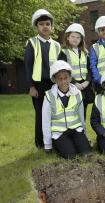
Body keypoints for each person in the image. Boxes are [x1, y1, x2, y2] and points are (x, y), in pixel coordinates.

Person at [24, 9, 61, 149]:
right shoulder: (32, 43)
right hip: (38, 86)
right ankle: (40, 143)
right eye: (41, 24)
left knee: (54, 113)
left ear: (52, 26)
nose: (45, 26)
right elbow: (28, 66)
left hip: (53, 84)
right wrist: (30, 86)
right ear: (36, 27)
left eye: (47, 23)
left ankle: (53, 140)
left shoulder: (56, 45)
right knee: (40, 114)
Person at [42, 60, 91, 159]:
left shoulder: (77, 93)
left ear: (70, 78)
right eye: (60, 79)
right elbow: (46, 121)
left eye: (66, 78)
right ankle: (60, 145)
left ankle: (75, 143)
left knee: (86, 153)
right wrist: (47, 144)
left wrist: (84, 134)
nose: (63, 81)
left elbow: (81, 117)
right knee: (71, 156)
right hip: (59, 133)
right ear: (55, 79)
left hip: (75, 129)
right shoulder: (49, 96)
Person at [58, 23, 94, 119]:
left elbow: (90, 69)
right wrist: (74, 83)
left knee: (84, 112)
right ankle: (74, 133)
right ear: (67, 38)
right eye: (73, 36)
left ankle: (83, 132)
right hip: (71, 86)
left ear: (81, 39)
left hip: (84, 86)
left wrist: (87, 81)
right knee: (73, 112)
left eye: (78, 37)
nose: (75, 39)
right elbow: (62, 71)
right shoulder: (63, 52)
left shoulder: (85, 53)